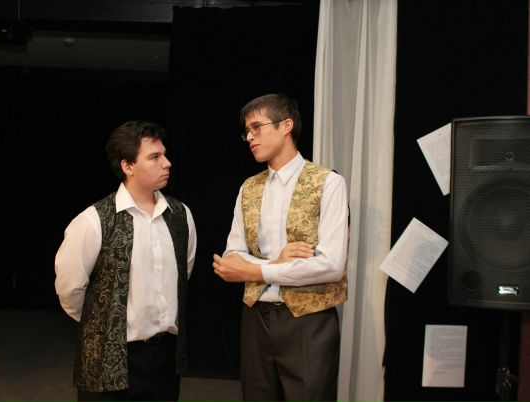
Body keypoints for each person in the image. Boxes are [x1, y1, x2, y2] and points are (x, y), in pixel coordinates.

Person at [213, 93, 349, 402]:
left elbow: (331, 265)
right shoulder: (249, 187)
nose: (250, 137)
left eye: (257, 127)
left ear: (286, 126)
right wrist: (276, 262)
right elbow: (233, 255)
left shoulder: (328, 183)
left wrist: (256, 270)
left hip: (309, 321)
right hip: (256, 319)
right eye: (247, 131)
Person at [55, 120, 197, 402]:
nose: (167, 163)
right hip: (107, 359)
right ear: (127, 166)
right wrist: (101, 324)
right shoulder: (93, 221)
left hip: (165, 359)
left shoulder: (181, 216)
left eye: (165, 154)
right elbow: (70, 290)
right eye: (154, 157)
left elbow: (184, 273)